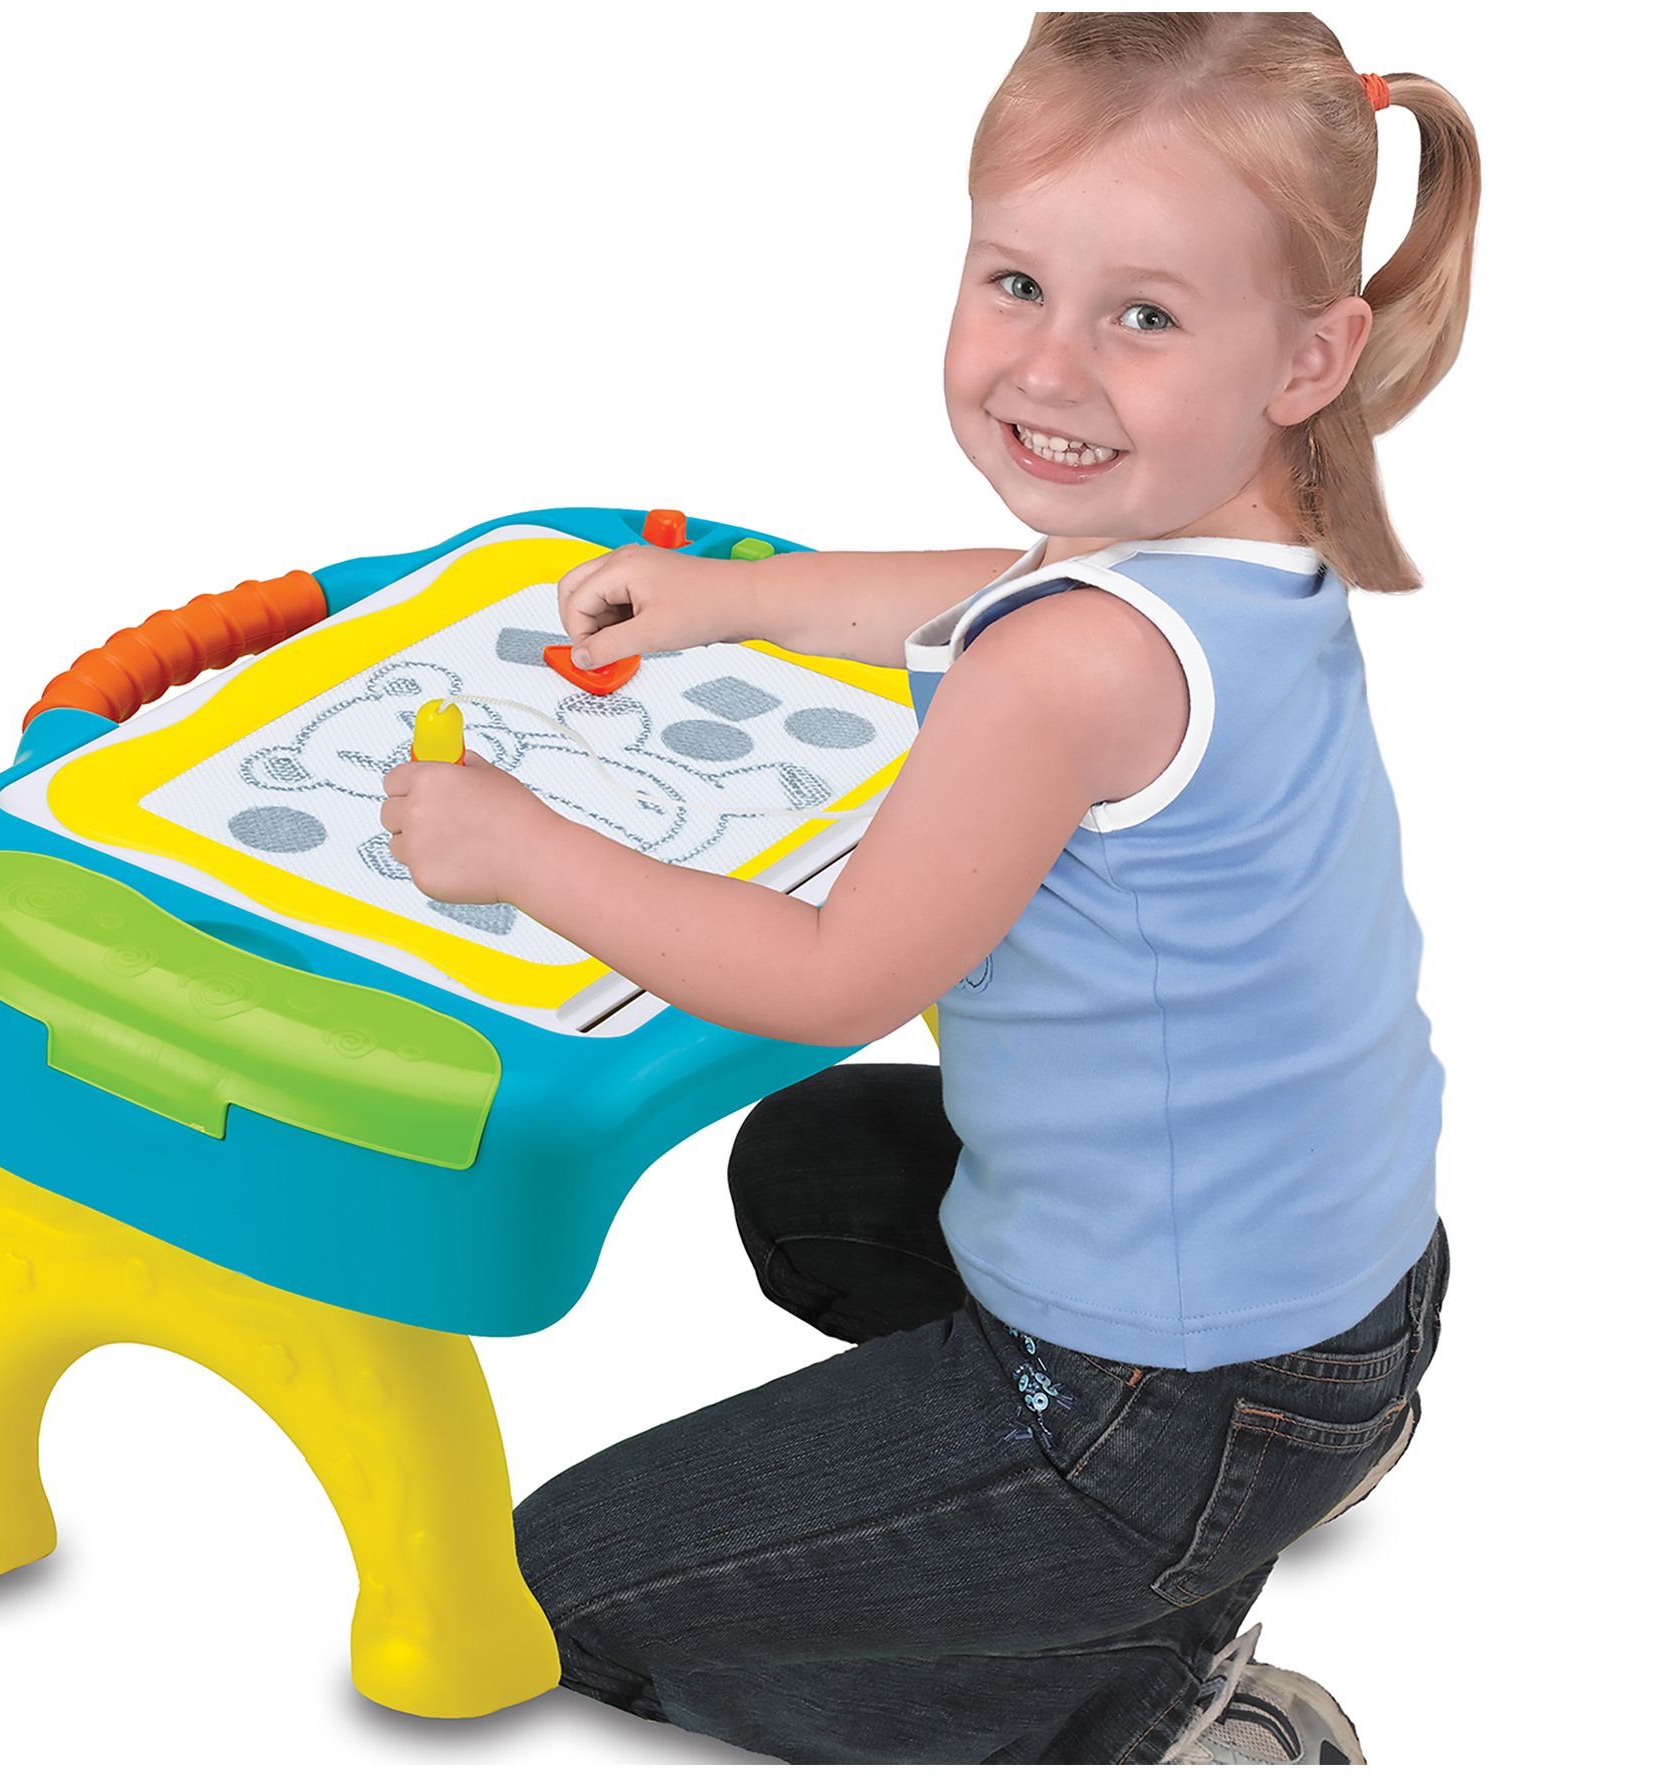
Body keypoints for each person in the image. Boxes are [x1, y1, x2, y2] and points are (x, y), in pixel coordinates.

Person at [378, 11, 1476, 1764]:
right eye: (1016, 282)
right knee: (803, 1174)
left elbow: (834, 975)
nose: (1049, 365)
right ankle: (1283, 1463)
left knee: (531, 1592)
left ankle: (1156, 1692)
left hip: (1159, 1398)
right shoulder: (1250, 534)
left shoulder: (1069, 671)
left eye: (1143, 315)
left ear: (1307, 356)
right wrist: (732, 601)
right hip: (1352, 1300)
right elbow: (1005, 587)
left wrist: (521, 849)